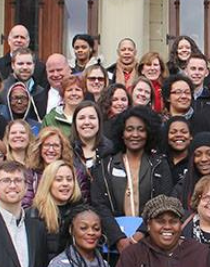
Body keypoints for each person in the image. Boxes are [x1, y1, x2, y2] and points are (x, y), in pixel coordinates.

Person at [90, 106, 174, 252]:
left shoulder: (159, 164)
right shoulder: (106, 165)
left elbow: (164, 201)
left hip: (151, 242)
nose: (135, 134)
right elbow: (99, 204)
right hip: (114, 246)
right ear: (122, 133)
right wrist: (118, 237)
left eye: (141, 129)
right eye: (129, 129)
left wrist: (141, 233)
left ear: (148, 133)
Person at [30, 161, 86, 261]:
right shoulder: (34, 215)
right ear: (48, 183)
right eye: (59, 180)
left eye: (69, 179)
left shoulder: (82, 213)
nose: (65, 184)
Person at [71, 100, 111, 171]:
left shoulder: (110, 150)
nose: (87, 122)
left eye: (92, 118)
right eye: (81, 118)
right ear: (75, 123)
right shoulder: (67, 150)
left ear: (99, 121)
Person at [163, 116, 193, 184]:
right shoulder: (159, 161)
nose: (178, 135)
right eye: (173, 132)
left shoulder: (195, 162)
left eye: (184, 132)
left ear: (191, 136)